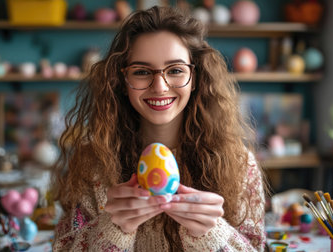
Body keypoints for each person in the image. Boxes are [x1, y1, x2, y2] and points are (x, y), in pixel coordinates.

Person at [51, 6, 266, 251]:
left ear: (195, 77)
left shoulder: (239, 164)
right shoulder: (93, 164)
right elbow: (63, 247)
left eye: (175, 70)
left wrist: (212, 232)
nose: (160, 86)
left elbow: (256, 247)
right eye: (142, 72)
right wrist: (111, 229)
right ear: (122, 81)